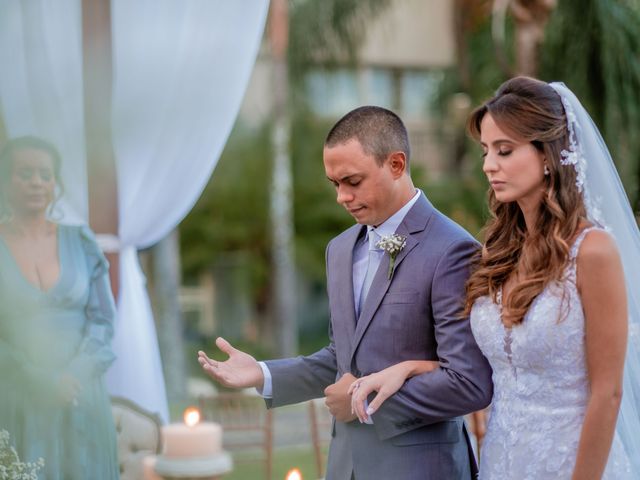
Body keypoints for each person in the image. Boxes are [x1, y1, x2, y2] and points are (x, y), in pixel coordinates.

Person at [350, 77, 640, 479]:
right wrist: (408, 368)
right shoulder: (497, 255)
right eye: (486, 151)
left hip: (573, 463)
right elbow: (498, 368)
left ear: (547, 155)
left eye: (504, 151)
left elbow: (607, 394)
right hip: (501, 462)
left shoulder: (592, 251)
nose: (489, 164)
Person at [199, 106, 493, 479]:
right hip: (344, 467)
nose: (341, 196)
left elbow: (467, 383)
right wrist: (261, 373)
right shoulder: (339, 250)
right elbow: (344, 360)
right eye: (334, 184)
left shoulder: (452, 250)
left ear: (397, 165)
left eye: (352, 181)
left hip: (420, 469)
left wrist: (362, 402)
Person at [0, 136, 120, 479]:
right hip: (17, 395)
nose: (36, 182)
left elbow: (103, 320)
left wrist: (74, 376)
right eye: (24, 174)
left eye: (44, 174)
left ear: (55, 182)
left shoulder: (80, 241)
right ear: (5, 181)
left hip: (80, 395)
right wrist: (39, 379)